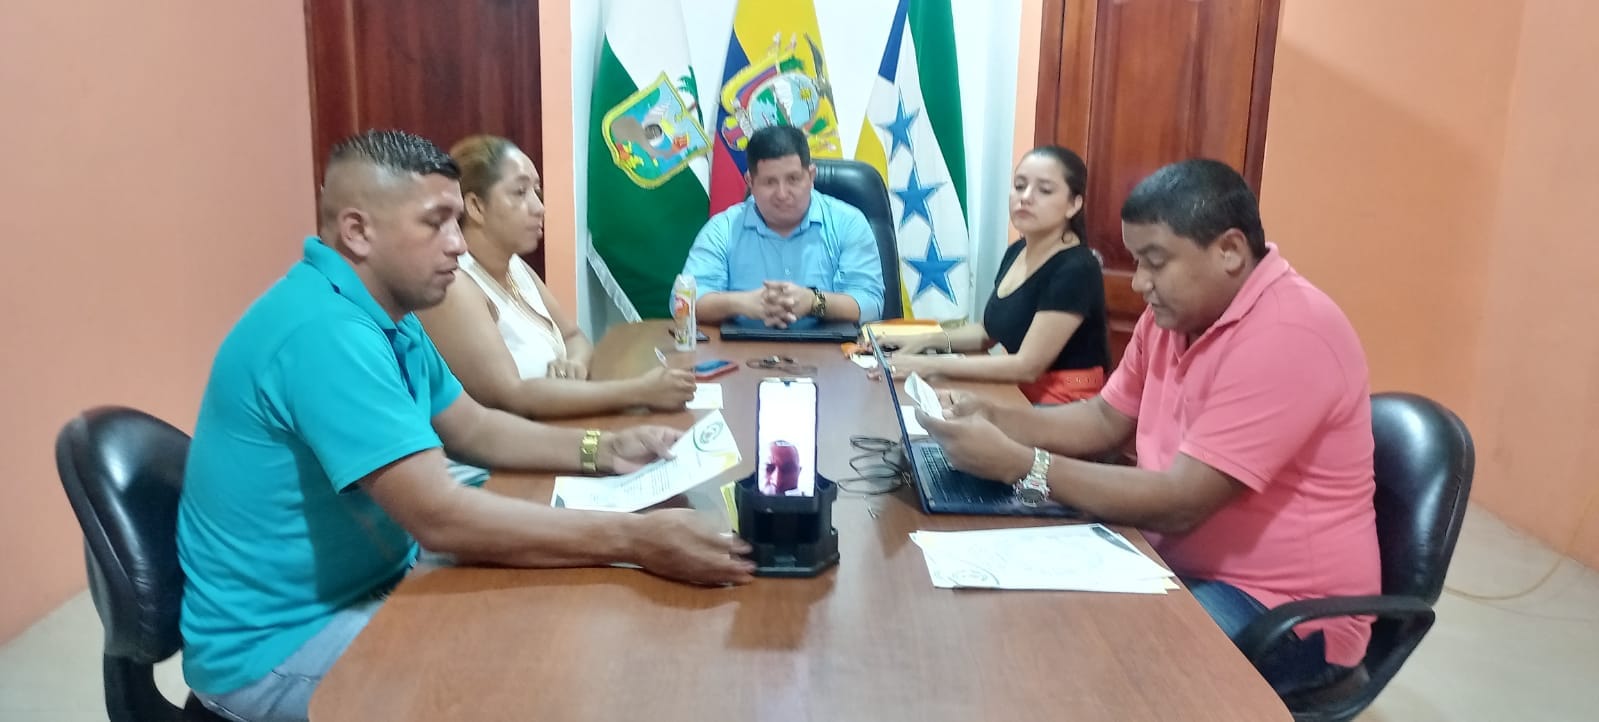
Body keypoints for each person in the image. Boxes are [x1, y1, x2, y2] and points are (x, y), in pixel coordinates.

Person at [177, 130, 754, 722]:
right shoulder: (326, 332)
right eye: (435, 223)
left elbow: (474, 428)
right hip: (279, 645)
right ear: (357, 232)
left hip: (377, 581)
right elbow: (440, 516)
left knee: (556, 621)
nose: (457, 244)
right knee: (517, 684)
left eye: (456, 220)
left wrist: (605, 448)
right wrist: (634, 540)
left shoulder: (387, 312)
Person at [914, 159, 1378, 696]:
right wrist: (1000, 418)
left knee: (1106, 676)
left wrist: (1023, 465)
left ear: (1230, 250)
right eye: (1136, 262)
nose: (1138, 283)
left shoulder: (1290, 333)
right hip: (1161, 557)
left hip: (1282, 608)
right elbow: (1104, 419)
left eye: (1155, 262)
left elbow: (1183, 502)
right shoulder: (1176, 318)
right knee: (1021, 627)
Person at [417, 134, 695, 420]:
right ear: (476, 207)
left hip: (557, 425)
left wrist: (575, 363)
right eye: (520, 192)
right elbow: (512, 395)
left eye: (536, 191)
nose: (539, 207)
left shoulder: (515, 266)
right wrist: (641, 391)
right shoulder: (455, 284)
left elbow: (574, 336)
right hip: (512, 443)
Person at [867, 146, 1110, 404]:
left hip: (1064, 401)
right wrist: (923, 341)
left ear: (1074, 204)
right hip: (1016, 389)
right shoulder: (1018, 250)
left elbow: (1027, 367)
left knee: (941, 413)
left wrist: (926, 365)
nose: (1026, 197)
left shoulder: (1077, 268)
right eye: (1019, 186)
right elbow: (987, 333)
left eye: (1045, 190)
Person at [680, 125, 884, 327]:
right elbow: (684, 301)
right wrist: (741, 303)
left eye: (793, 179)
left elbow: (870, 302)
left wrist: (814, 302)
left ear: (811, 176)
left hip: (830, 347)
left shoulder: (848, 222)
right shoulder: (723, 229)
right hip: (742, 346)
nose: (782, 194)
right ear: (750, 182)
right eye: (770, 182)